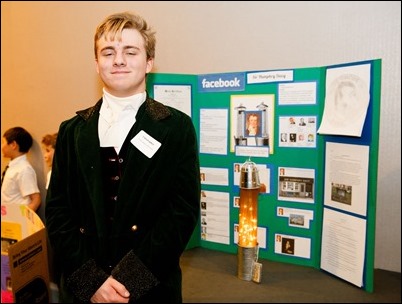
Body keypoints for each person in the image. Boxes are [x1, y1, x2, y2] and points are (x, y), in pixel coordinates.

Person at [45, 11, 200, 303]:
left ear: (149, 62)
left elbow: (182, 212)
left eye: (130, 51)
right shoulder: (71, 131)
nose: (118, 60)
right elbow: (57, 212)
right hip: (83, 289)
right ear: (97, 63)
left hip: (150, 286)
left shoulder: (176, 127)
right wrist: (91, 282)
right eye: (108, 52)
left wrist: (128, 282)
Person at [1, 127, 41, 211]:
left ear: (13, 145)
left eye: (3, 142)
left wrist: (23, 219)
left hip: (16, 220)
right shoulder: (12, 167)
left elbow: (36, 200)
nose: (2, 146)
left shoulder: (24, 169)